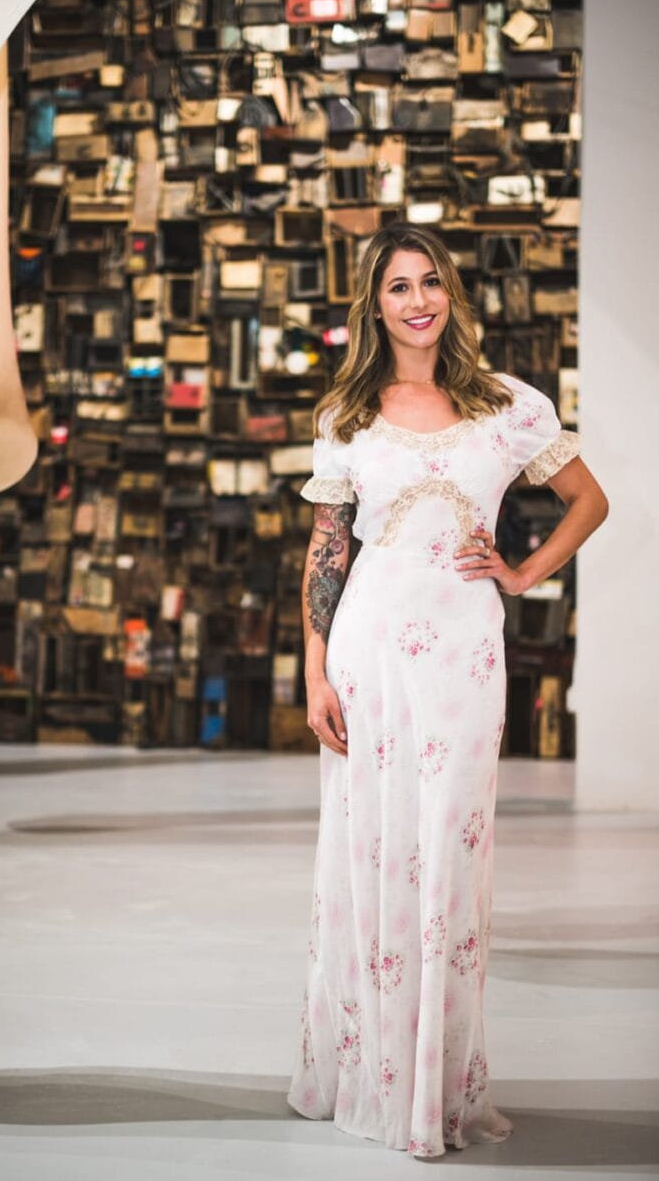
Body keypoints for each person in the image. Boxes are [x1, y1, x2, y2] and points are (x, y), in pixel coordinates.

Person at [285, 221, 609, 1158]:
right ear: (374, 304)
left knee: (450, 855)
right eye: (398, 286)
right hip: (370, 651)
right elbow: (328, 548)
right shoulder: (347, 416)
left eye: (430, 281)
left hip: (465, 656)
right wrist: (314, 670)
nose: (417, 300)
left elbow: (590, 500)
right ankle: (372, 1072)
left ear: (451, 294)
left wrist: (523, 573)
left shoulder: (509, 405)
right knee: (371, 850)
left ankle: (436, 1085)